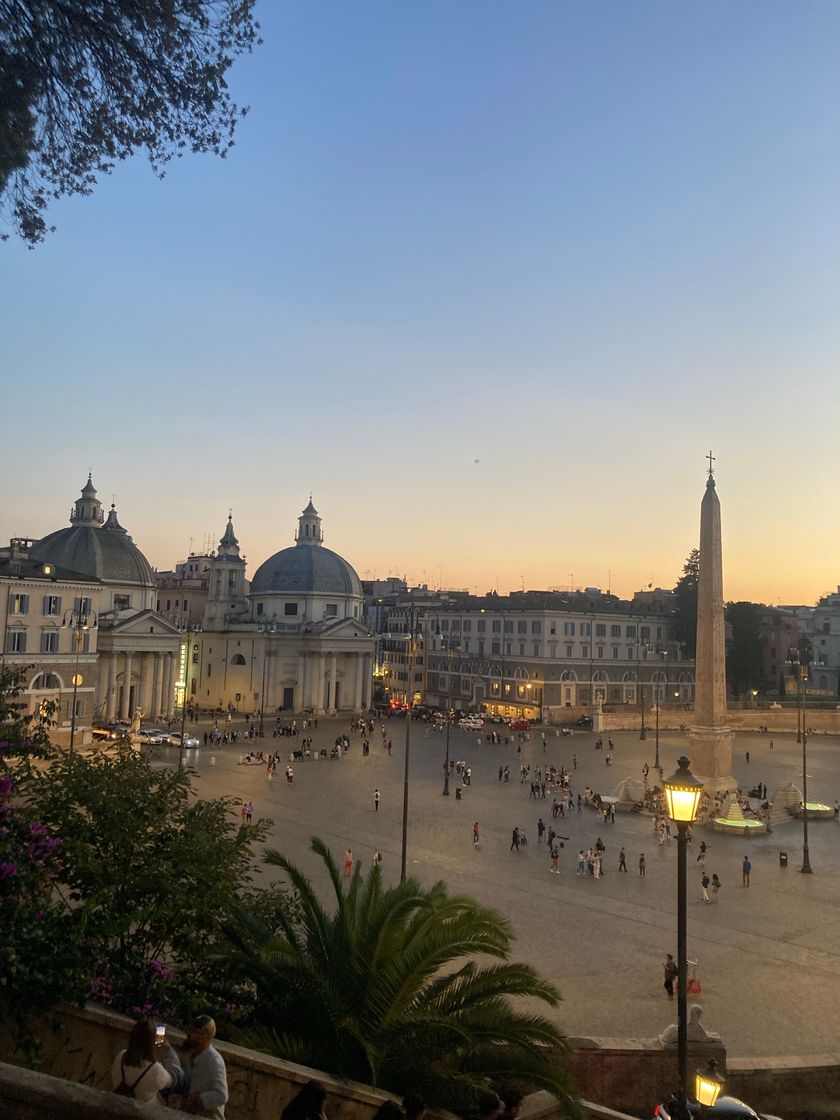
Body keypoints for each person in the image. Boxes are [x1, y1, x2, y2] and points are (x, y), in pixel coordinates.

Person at [111, 1018, 182, 1106]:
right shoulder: (155, 1070)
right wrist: (168, 1049)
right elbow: (175, 1078)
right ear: (152, 1040)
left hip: (119, 1104)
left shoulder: (121, 1056)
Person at [182, 1014, 228, 1119]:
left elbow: (222, 1096)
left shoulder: (214, 1061)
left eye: (194, 1031)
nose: (189, 1034)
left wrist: (197, 1098)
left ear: (206, 1036)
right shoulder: (194, 1055)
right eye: (190, 1030)